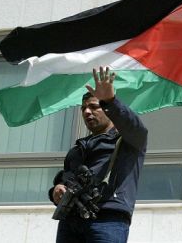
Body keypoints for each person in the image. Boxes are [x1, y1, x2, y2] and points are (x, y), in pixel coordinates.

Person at [48, 66, 148, 243]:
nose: (87, 112)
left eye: (94, 107)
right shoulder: (77, 150)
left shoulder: (127, 142)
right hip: (70, 220)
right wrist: (57, 190)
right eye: (84, 108)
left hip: (107, 219)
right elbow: (66, 180)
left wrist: (110, 101)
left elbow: (136, 128)